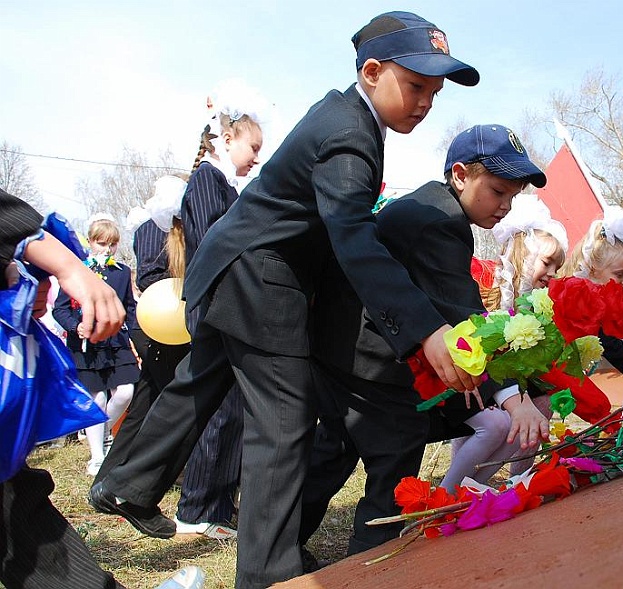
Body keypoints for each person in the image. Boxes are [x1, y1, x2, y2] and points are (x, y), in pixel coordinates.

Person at [90, 12, 481, 588]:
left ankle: (127, 482)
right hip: (259, 277)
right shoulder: (353, 135)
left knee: (204, 379)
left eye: (435, 92)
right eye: (416, 85)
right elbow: (353, 238)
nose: (426, 102)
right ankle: (268, 576)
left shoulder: (346, 119)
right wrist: (426, 328)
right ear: (371, 73)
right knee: (282, 421)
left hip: (235, 269)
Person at [301, 124, 551, 555]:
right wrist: (513, 400)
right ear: (460, 174)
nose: (505, 207)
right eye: (497, 191)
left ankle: (280, 550)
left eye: (512, 197)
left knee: (337, 449)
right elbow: (464, 315)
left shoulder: (435, 207)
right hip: (366, 355)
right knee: (397, 448)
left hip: (342, 347)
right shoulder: (440, 221)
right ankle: (375, 555)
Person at [0, 188, 204, 589]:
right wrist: (70, 269)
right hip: (86, 351)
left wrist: (12, 269)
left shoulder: (118, 271)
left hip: (112, 343)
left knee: (13, 503)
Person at [171, 87, 263, 540]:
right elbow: (212, 243)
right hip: (213, 306)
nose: (256, 159)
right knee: (219, 409)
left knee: (231, 408)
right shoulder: (208, 181)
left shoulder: (223, 183)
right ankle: (196, 509)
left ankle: (216, 505)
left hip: (224, 306)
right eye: (253, 148)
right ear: (227, 139)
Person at [439, 194, 570, 490]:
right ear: (523, 255)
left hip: (504, 385)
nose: (551, 274)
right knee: (497, 423)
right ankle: (453, 489)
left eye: (556, 268)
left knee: (529, 415)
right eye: (547, 263)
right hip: (470, 379)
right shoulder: (488, 286)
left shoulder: (537, 306)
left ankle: (476, 485)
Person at [95, 177, 191, 488]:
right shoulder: (154, 228)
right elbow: (149, 277)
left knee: (143, 406)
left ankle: (107, 480)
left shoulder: (182, 226)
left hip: (173, 330)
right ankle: (139, 479)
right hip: (157, 329)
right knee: (173, 406)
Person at [53, 216, 139, 476]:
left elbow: (129, 306)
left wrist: (135, 333)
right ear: (90, 242)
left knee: (125, 392)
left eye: (112, 244)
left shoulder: (122, 272)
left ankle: (101, 433)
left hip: (116, 341)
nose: (107, 249)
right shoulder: (77, 270)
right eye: (102, 243)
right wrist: (75, 326)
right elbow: (61, 308)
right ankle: (98, 457)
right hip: (86, 344)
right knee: (97, 397)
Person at [558, 206, 623, 393]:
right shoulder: (579, 301)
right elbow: (614, 349)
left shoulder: (591, 299)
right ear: (592, 269)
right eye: (619, 274)